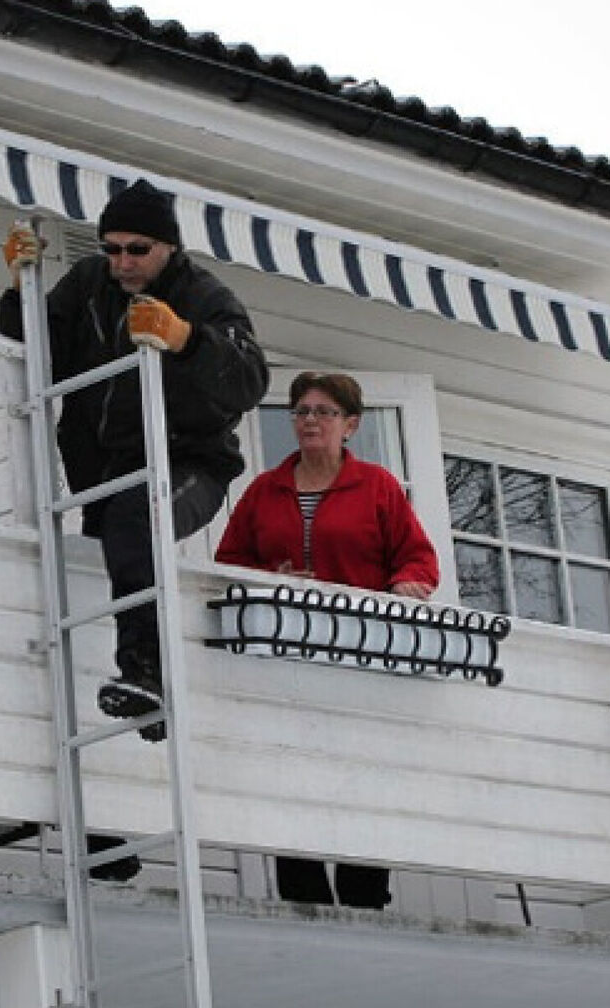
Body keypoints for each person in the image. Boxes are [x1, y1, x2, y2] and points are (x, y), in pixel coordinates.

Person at [0, 178, 270, 738]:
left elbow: (249, 381)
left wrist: (187, 338)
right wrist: (19, 288)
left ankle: (145, 673)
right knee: (116, 546)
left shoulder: (206, 297)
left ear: (168, 247)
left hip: (191, 464)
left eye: (137, 249)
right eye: (112, 248)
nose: (123, 262)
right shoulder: (89, 285)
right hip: (103, 470)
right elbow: (37, 352)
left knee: (135, 519)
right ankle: (145, 700)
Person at [215, 371, 439, 910]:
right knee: (293, 771)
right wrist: (274, 582)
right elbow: (228, 565)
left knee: (362, 775)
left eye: (324, 411)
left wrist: (408, 584)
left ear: (351, 424)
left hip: (360, 657)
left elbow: (417, 556)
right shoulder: (263, 491)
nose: (310, 420)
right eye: (301, 411)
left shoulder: (378, 485)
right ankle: (303, 897)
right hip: (285, 660)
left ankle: (364, 899)